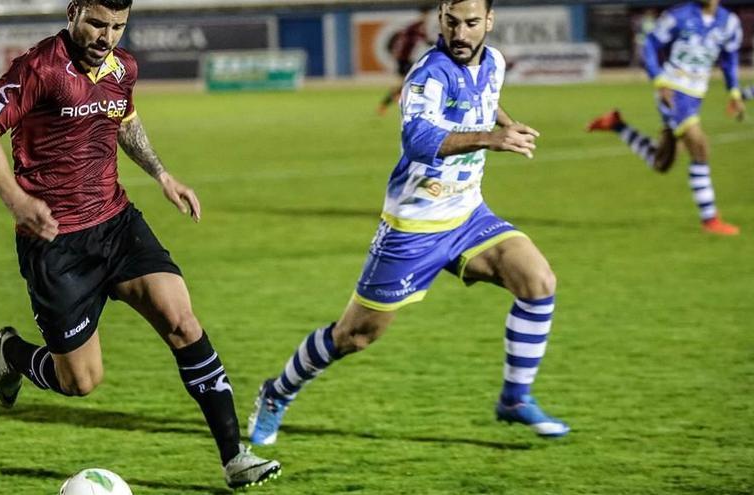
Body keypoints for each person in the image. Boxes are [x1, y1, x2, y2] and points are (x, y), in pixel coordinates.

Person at [0, 0, 280, 489]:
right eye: (95, 23)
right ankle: (15, 355)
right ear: (72, 12)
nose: (105, 36)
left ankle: (235, 457)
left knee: (182, 320)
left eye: (117, 26)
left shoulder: (123, 67)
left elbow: (124, 120)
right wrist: (16, 201)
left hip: (116, 223)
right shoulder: (38, 68)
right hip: (55, 243)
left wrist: (162, 174)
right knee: (80, 382)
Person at [249, 0, 570, 447]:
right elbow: (418, 140)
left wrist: (509, 124)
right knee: (354, 337)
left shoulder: (493, 62)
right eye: (451, 22)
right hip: (412, 228)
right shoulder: (428, 73)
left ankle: (515, 399)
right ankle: (276, 392)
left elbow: (486, 99)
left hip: (468, 216)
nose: (460, 33)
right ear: (439, 20)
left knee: (538, 281)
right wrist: (492, 139)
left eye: (471, 23)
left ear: (489, 23)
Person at [587, 0, 744, 236]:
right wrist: (658, 79)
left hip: (696, 95)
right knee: (699, 146)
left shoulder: (730, 23)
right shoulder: (678, 16)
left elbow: (729, 59)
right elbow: (650, 43)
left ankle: (617, 124)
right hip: (674, 91)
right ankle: (710, 219)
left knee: (662, 161)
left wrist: (733, 91)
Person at [378, 6, 432, 115]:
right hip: (404, 60)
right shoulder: (418, 26)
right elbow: (425, 39)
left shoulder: (415, 26)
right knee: (407, 84)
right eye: (426, 15)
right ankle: (385, 104)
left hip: (405, 60)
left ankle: (389, 104)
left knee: (410, 83)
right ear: (424, 14)